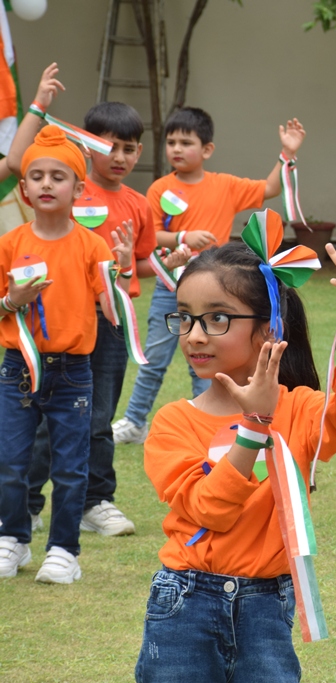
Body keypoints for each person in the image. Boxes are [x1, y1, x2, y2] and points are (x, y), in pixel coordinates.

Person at [136, 216, 336, 682]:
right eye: (185, 317)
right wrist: (254, 425)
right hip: (186, 603)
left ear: (268, 329)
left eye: (217, 318)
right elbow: (209, 509)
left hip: (267, 604)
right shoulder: (173, 423)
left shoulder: (298, 409)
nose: (194, 335)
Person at [6, 63, 189, 537]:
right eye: (110, 146)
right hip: (56, 319)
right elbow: (18, 162)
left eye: (130, 148)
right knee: (41, 418)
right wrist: (39, 104)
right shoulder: (58, 188)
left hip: (110, 320)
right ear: (86, 148)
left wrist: (168, 261)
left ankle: (96, 501)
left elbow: (139, 264)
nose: (120, 157)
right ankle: (27, 505)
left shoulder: (138, 204)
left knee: (98, 415)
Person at [112, 106, 306, 446]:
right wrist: (182, 237)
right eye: (171, 142)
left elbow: (271, 188)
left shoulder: (225, 185)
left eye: (186, 142)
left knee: (211, 361)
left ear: (207, 149)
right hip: (171, 286)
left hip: (218, 292)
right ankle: (135, 421)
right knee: (153, 358)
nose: (176, 149)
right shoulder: (159, 189)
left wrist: (287, 153)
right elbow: (150, 237)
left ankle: (211, 423)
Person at [0, 126, 133, 583]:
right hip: (18, 370)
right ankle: (13, 539)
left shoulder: (92, 245)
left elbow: (112, 312)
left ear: (78, 189)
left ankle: (63, 551)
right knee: (11, 461)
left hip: (73, 372)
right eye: (37, 176)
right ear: (24, 187)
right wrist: (13, 300)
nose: (46, 184)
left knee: (71, 467)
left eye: (58, 177)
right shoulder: (11, 244)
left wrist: (121, 270)